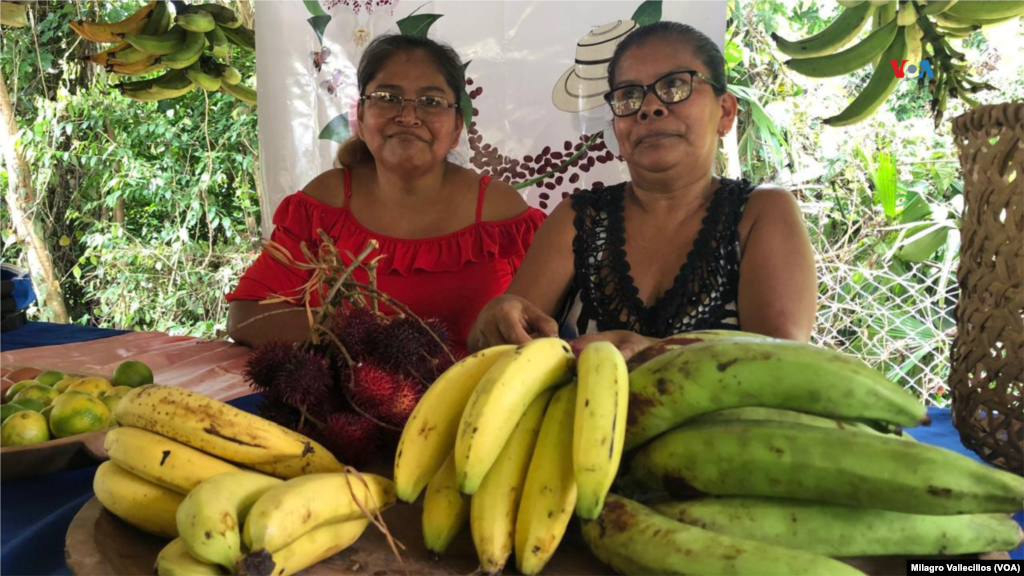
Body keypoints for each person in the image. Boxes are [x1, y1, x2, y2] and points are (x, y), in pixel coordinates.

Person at [469, 21, 816, 359]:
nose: (650, 107)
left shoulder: (761, 212)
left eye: (676, 85)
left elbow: (783, 363)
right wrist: (496, 318)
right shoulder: (579, 219)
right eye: (629, 95)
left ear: (725, 112)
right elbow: (500, 347)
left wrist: (654, 352)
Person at [227, 34, 545, 351]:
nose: (407, 117)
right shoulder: (326, 204)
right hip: (343, 398)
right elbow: (246, 316)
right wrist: (360, 335)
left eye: (431, 102)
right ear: (361, 118)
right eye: (387, 97)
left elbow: (547, 324)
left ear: (457, 127)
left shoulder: (500, 212)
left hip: (480, 398)